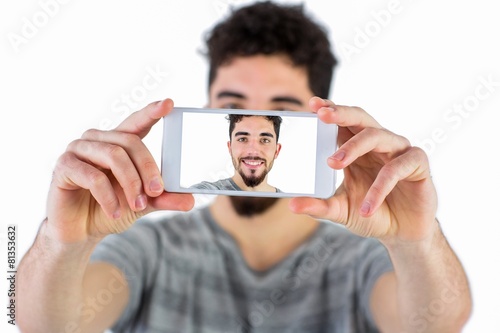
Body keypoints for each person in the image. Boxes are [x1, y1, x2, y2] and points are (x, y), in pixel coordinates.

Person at [17, 1, 472, 333]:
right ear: (219, 125)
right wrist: (62, 242)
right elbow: (42, 325)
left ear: (296, 138)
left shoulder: (364, 253)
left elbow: (437, 324)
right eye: (234, 111)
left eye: (277, 116)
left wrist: (417, 241)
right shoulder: (149, 247)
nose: (253, 139)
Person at [190, 114, 283, 192]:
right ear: (230, 148)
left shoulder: (289, 204)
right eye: (242, 139)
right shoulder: (204, 193)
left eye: (265, 140)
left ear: (277, 151)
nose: (253, 151)